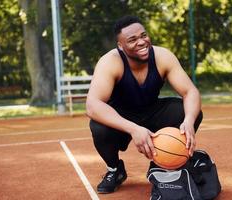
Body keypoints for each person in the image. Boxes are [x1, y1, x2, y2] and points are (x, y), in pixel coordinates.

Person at [86, 15, 203, 194]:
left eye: (143, 35)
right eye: (132, 40)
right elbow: (93, 105)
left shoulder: (163, 56)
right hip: (122, 115)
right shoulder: (110, 62)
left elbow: (190, 92)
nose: (141, 42)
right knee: (99, 127)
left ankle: (167, 163)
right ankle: (115, 170)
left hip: (152, 110)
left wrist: (188, 120)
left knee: (187, 112)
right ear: (120, 46)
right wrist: (133, 128)